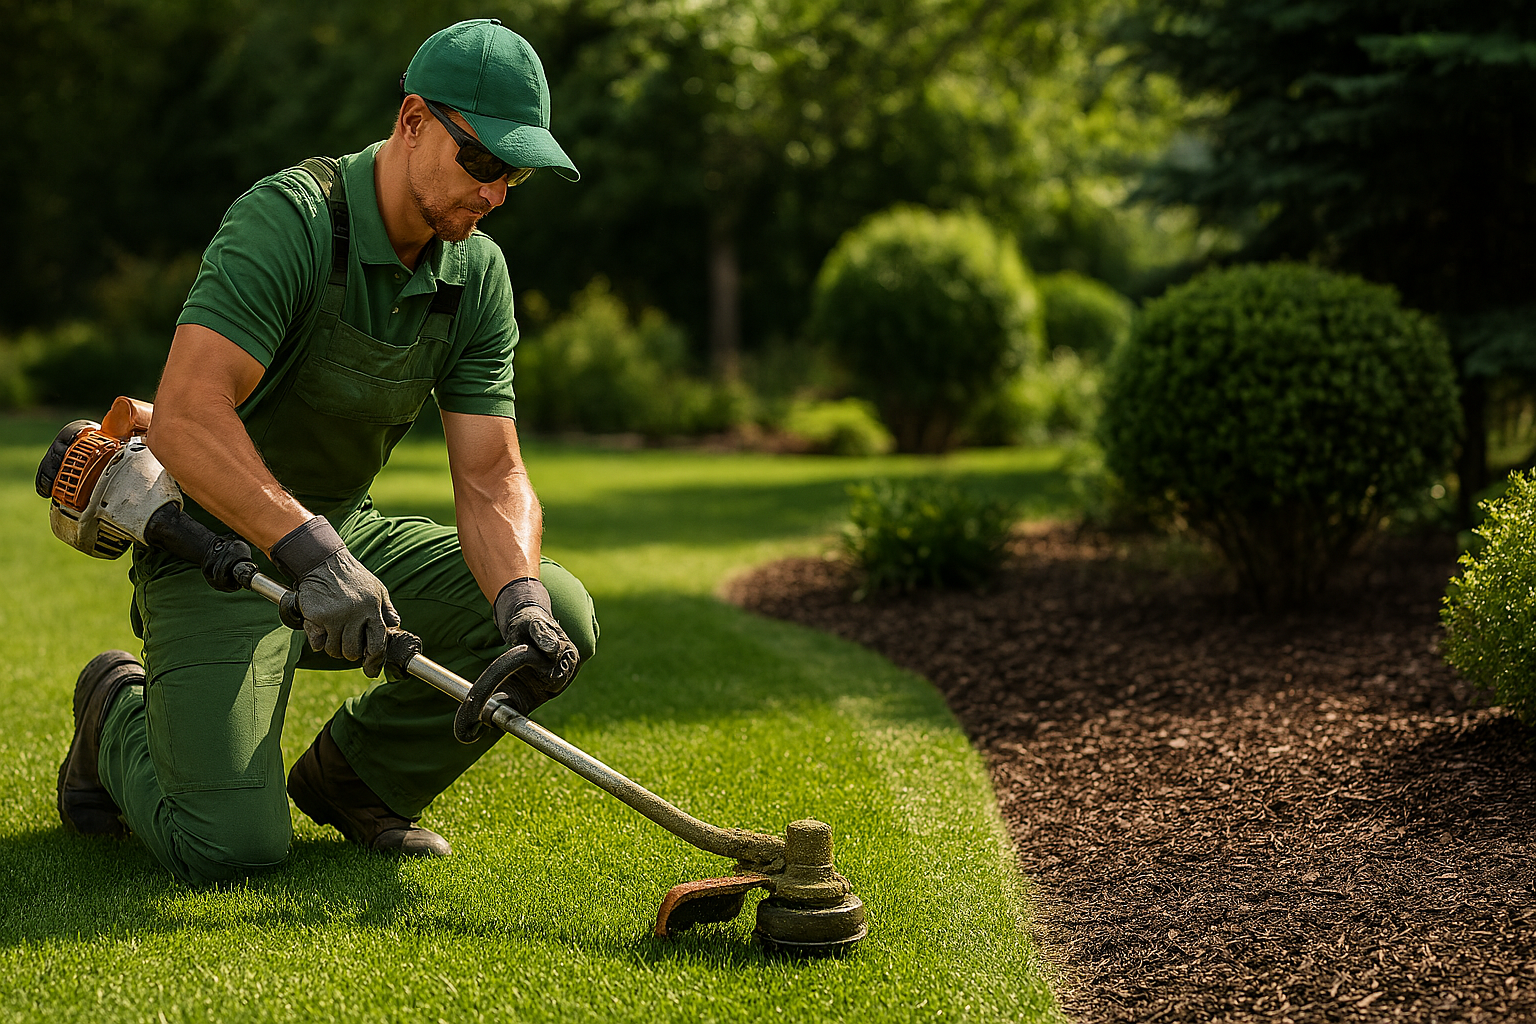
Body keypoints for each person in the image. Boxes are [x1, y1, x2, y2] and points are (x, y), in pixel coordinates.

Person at [54, 19, 599, 886]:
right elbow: (190, 416)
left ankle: (356, 783)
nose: (495, 194)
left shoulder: (477, 275)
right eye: (484, 163)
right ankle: (114, 708)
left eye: (516, 173)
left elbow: (493, 471)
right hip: (214, 551)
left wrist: (520, 598)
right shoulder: (290, 221)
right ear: (414, 121)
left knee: (558, 608)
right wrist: (310, 552)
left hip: (350, 541)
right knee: (228, 847)